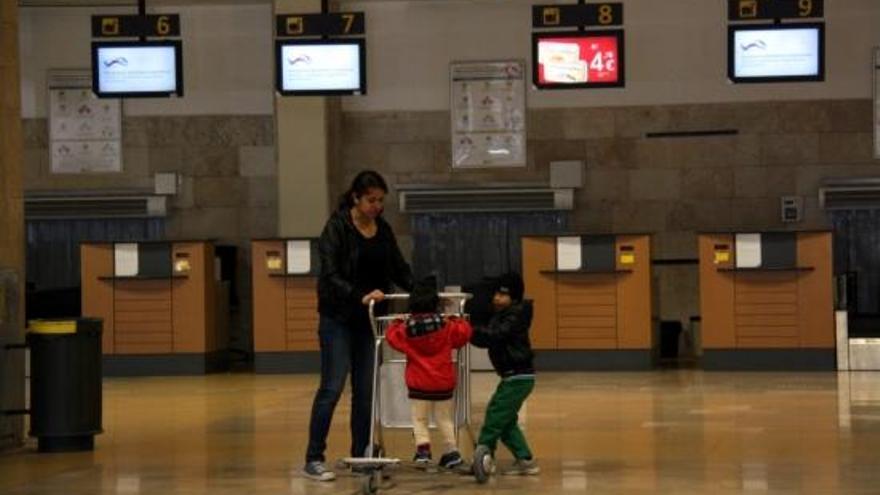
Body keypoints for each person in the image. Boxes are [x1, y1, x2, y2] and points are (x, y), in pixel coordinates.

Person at [303, 170, 414, 482]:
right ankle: (313, 457)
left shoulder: (383, 229)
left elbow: (399, 267)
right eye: (371, 200)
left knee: (366, 391)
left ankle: (362, 453)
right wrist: (359, 295)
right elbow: (330, 274)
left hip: (370, 321)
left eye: (380, 201)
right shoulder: (336, 228)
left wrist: (419, 294)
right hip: (338, 318)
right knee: (331, 387)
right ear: (356, 197)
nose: (376, 206)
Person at [385, 279, 472, 470]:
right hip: (443, 383)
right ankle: (452, 452)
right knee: (444, 418)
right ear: (436, 304)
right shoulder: (447, 326)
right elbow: (464, 334)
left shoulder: (407, 330)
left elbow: (392, 338)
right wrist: (457, 319)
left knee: (419, 419)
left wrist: (396, 322)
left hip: (418, 385)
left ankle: (423, 452)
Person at [470, 272, 540, 482]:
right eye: (496, 294)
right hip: (512, 376)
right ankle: (526, 460)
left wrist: (470, 331)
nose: (497, 299)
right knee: (506, 421)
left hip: (518, 376)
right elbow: (487, 339)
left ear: (514, 298)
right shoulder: (502, 314)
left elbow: (496, 335)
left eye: (503, 295)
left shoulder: (515, 315)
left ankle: (484, 454)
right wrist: (468, 332)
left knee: (495, 416)